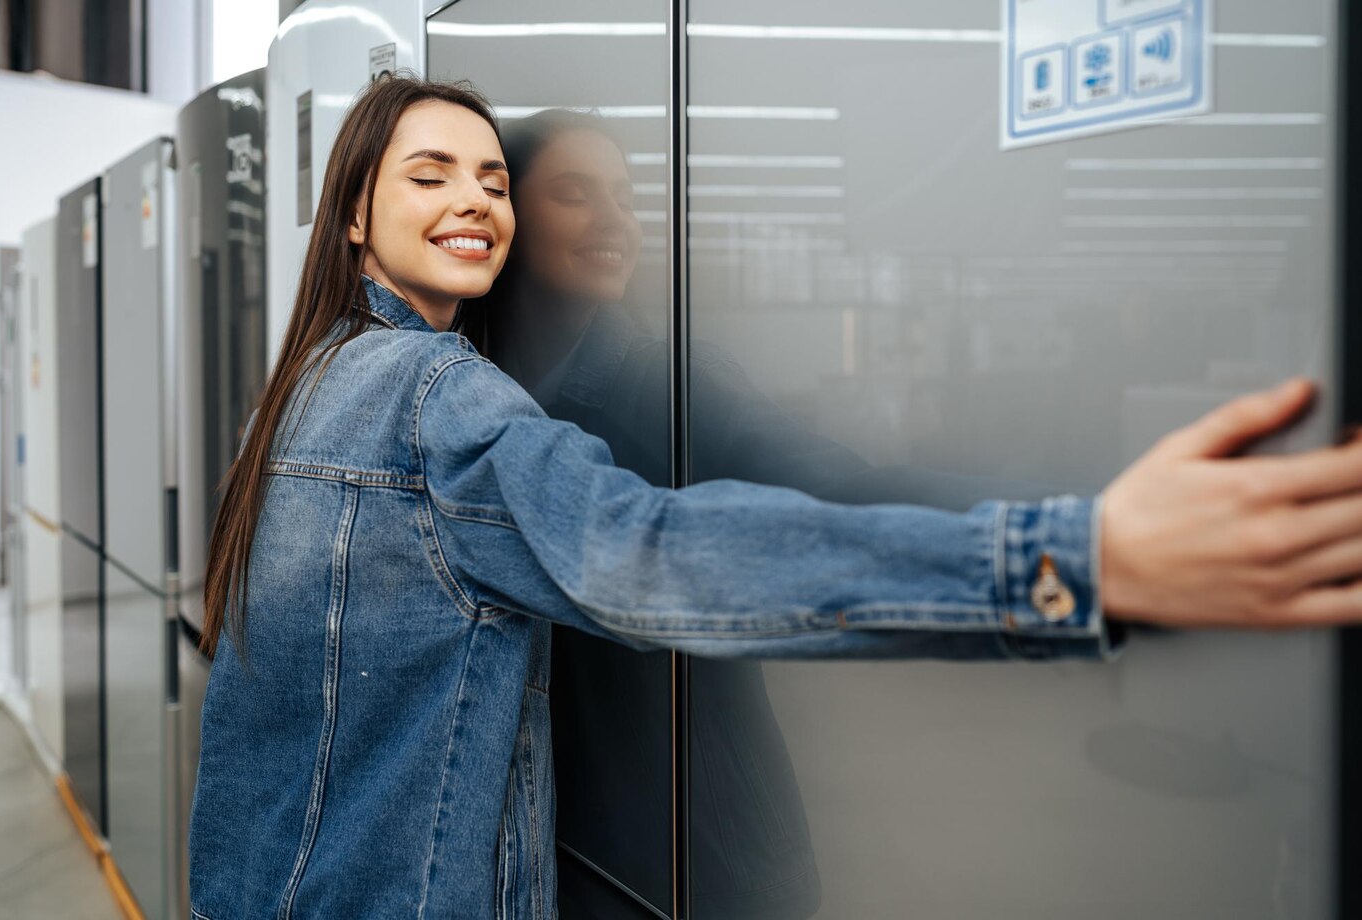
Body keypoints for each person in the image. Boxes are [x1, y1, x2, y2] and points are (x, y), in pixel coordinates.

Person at [189, 74, 1362, 920]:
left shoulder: (305, 386)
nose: (476, 202)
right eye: (431, 175)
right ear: (354, 213)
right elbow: (644, 549)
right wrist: (1075, 559)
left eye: (492, 178)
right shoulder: (445, 393)